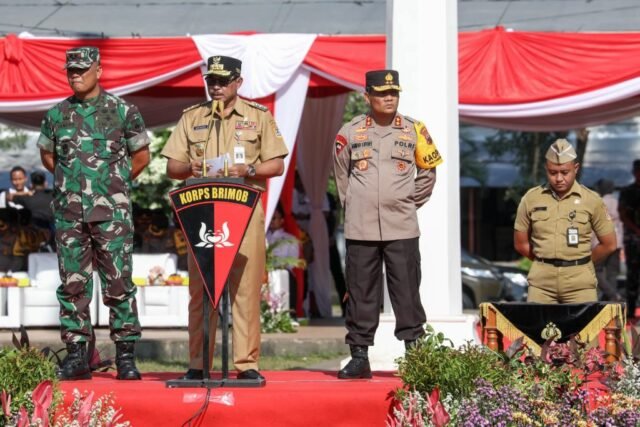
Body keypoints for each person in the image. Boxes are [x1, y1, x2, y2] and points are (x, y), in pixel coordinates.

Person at [162, 55, 288, 382]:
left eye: (222, 81)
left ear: (238, 83)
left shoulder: (258, 116)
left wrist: (248, 170)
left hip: (244, 211)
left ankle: (246, 364)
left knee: (245, 288)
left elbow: (276, 165)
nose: (216, 87)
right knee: (202, 289)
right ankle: (198, 362)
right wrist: (192, 167)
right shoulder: (193, 117)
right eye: (211, 81)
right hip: (201, 212)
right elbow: (171, 167)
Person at [37, 46, 150, 381]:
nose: (76, 75)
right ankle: (76, 357)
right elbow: (48, 157)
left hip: (112, 216)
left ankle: (126, 356)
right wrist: (73, 185)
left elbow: (140, 156)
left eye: (82, 70)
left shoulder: (123, 111)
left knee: (119, 284)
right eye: (71, 71)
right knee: (73, 286)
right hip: (70, 215)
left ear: (99, 70)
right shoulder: (57, 115)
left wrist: (110, 188)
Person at [333, 70, 440, 379]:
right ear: (367, 97)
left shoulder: (415, 130)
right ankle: (359, 356)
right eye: (381, 93)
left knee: (406, 290)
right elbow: (341, 175)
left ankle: (415, 355)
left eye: (393, 92)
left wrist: (405, 202)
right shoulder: (350, 132)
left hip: (402, 225)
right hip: (360, 226)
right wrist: (355, 205)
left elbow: (428, 173)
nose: (389, 97)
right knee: (361, 291)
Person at [514, 139, 617, 304]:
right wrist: (545, 261)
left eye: (564, 172)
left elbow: (609, 243)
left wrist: (583, 264)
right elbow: (521, 243)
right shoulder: (531, 198)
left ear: (575, 169)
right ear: (546, 169)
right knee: (539, 329)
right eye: (552, 172)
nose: (559, 178)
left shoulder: (591, 200)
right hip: (542, 285)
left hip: (580, 284)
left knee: (584, 329)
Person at [266, 203, 301, 313]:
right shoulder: (262, 237)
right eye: (270, 217)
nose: (272, 220)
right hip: (264, 272)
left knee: (287, 276)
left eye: (275, 218)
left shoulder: (290, 239)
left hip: (283, 272)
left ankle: (289, 312)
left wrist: (276, 265)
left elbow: (292, 261)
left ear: (282, 220)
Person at [593, 179, 623, 301]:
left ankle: (612, 295)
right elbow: (621, 225)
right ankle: (613, 302)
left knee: (595, 270)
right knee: (612, 274)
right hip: (617, 242)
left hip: (600, 243)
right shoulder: (618, 203)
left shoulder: (598, 203)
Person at [619, 159, 640, 318]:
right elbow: (623, 214)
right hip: (633, 239)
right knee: (632, 275)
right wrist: (636, 230)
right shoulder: (628, 191)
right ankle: (631, 310)